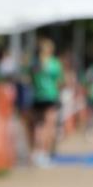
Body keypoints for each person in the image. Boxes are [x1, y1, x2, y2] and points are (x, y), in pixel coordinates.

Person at [28, 38, 63, 167]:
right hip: (50, 97)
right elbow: (59, 81)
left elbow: (30, 79)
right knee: (49, 127)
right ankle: (44, 153)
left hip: (37, 97)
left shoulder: (34, 63)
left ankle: (36, 152)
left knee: (38, 126)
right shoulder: (54, 63)